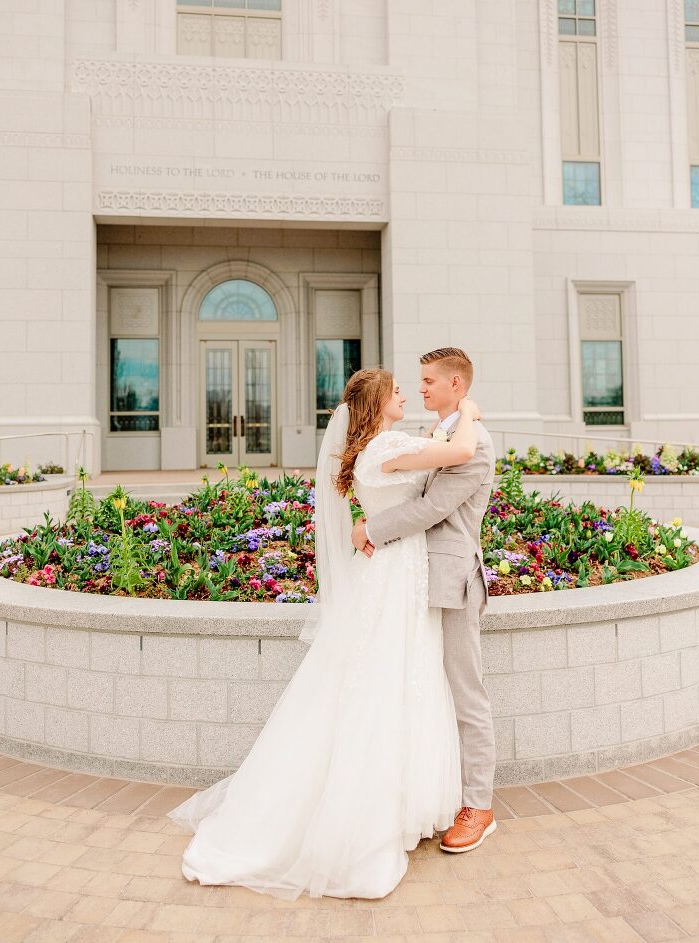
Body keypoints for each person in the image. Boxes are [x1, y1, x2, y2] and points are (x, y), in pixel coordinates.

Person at [168, 366, 484, 900]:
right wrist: (469, 413)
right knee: (384, 684)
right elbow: (458, 453)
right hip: (395, 570)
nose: (407, 393)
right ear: (378, 403)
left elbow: (433, 462)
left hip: (396, 569)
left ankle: (393, 802)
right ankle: (364, 817)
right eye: (398, 390)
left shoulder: (378, 449)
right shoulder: (383, 451)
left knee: (394, 678)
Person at [352, 347, 497, 854]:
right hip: (414, 579)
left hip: (452, 580)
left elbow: (434, 506)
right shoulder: (441, 435)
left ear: (457, 384)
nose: (421, 389)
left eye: (430, 380)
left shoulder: (473, 442)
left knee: (465, 692)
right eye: (417, 381)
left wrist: (370, 527)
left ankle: (479, 805)